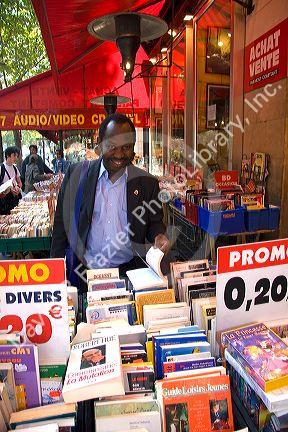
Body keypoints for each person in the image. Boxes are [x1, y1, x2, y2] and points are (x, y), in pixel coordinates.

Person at [51, 113, 169, 290]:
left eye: (127, 147)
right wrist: (55, 278)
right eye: (112, 146)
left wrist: (159, 236)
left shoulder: (147, 183)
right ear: (100, 144)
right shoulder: (76, 176)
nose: (120, 154)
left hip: (129, 274)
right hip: (85, 274)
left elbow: (154, 224)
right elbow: (61, 227)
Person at [0, 146, 22, 215]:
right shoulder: (1, 168)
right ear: (7, 155)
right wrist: (8, 189)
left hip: (14, 198)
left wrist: (18, 187)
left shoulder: (15, 168)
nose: (16, 158)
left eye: (17, 156)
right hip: (4, 201)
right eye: (14, 155)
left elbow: (19, 182)